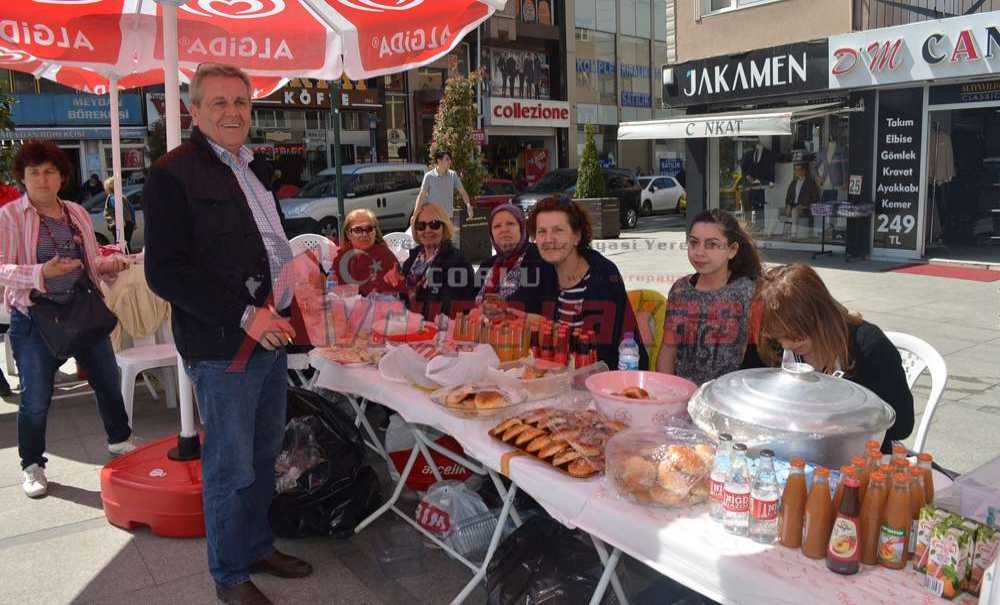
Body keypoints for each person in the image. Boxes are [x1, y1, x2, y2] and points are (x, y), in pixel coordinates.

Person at [143, 63, 312, 605]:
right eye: (218, 102)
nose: (232, 111)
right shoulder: (172, 173)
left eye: (240, 101)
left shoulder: (254, 167)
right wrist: (246, 315)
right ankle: (230, 576)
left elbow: (266, 244)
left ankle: (257, 545)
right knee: (229, 467)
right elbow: (164, 271)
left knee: (265, 458)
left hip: (270, 337)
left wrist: (296, 281)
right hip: (222, 347)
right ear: (194, 111)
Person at [0, 140, 134, 498]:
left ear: (61, 176)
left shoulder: (75, 212)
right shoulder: (10, 217)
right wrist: (41, 271)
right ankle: (32, 465)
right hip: (34, 317)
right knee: (36, 397)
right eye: (34, 173)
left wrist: (111, 264)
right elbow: (1, 269)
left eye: (49, 172)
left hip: (82, 311)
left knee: (108, 379)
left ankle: (120, 442)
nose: (42, 179)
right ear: (23, 179)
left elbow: (88, 263)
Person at [744, 264, 914, 452]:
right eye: (779, 335)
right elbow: (749, 395)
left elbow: (902, 425)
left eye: (797, 333)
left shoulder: (869, 347)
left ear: (822, 314)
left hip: (857, 456)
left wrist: (840, 422)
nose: (787, 344)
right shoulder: (773, 345)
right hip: (790, 451)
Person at [528, 195, 648, 370]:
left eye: (558, 230)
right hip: (556, 379)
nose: (548, 239)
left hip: (607, 379)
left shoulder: (603, 275)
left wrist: (552, 331)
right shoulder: (542, 272)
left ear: (577, 236)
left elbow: (601, 350)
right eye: (541, 232)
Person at [658, 209, 762, 385]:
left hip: (730, 400)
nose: (699, 252)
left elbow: (757, 360)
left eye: (711, 245)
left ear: (732, 250)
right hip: (684, 397)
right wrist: (665, 393)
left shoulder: (749, 293)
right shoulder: (680, 291)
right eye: (693, 243)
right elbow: (669, 348)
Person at [476, 203, 556, 315]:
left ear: (522, 228)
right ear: (491, 234)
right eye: (497, 226)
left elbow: (532, 304)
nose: (504, 230)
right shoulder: (487, 265)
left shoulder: (540, 260)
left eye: (510, 224)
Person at [401, 203, 475, 319]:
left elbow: (450, 308)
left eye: (434, 224)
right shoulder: (412, 259)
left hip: (438, 330)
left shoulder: (457, 262)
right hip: (408, 325)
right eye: (421, 226)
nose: (428, 230)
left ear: (444, 227)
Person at [330, 208, 404, 297]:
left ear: (375, 232)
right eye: (358, 230)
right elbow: (331, 289)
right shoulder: (341, 258)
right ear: (348, 234)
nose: (364, 234)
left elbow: (395, 293)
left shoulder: (385, 256)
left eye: (369, 229)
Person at [414, 150, 473, 227]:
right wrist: (415, 213)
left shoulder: (453, 175)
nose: (450, 162)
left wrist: (468, 205)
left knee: (448, 239)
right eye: (447, 159)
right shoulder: (429, 176)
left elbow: (462, 191)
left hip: (448, 218)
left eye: (450, 159)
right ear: (439, 161)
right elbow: (422, 195)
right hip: (433, 217)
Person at [783, 162, 820, 238]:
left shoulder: (810, 183)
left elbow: (816, 199)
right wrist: (788, 205)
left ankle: (793, 235)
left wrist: (804, 206)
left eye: (799, 169)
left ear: (804, 171)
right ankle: (769, 234)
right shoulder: (793, 183)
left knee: (794, 211)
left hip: (805, 208)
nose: (797, 172)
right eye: (795, 170)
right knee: (776, 212)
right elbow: (788, 198)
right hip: (793, 206)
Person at [103, 177, 135, 249]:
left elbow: (118, 208)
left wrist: (122, 221)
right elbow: (132, 209)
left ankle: (124, 259)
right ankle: (128, 258)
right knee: (126, 244)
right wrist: (134, 222)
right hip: (129, 223)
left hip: (120, 224)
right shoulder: (122, 196)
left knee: (120, 246)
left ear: (108, 188)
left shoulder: (112, 197)